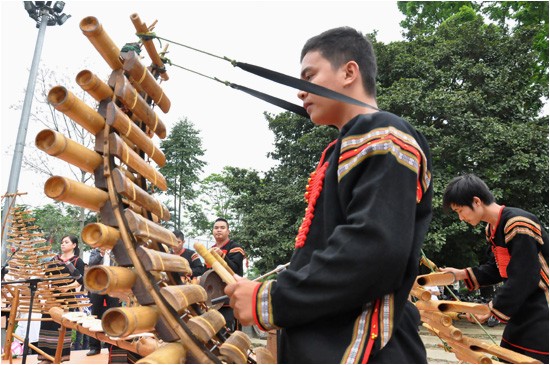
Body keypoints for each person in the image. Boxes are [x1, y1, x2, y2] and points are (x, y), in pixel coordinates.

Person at [225, 26, 433, 363]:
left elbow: (373, 250)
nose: (299, 92)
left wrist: (272, 299)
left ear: (349, 72)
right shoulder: (345, 145)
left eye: (309, 76)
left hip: (363, 349)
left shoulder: (382, 132)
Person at [440, 173, 549, 363]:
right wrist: (460, 274)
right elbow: (498, 269)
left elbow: (525, 276)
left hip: (542, 308)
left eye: (460, 210)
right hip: (524, 309)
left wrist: (491, 308)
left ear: (476, 201)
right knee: (509, 356)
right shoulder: (492, 229)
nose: (460, 218)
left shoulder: (517, 223)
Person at [37, 235, 85, 364]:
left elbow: (80, 281)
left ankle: (59, 357)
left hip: (67, 297)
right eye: (62, 242)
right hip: (52, 296)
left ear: (74, 245)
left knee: (61, 326)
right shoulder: (54, 259)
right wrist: (45, 293)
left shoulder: (77, 261)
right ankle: (46, 358)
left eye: (66, 242)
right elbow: (46, 277)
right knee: (47, 324)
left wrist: (67, 287)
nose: (63, 244)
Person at [210, 218, 246, 332]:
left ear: (228, 231)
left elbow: (234, 269)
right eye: (216, 228)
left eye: (222, 228)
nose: (219, 230)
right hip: (213, 301)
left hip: (230, 301)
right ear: (212, 231)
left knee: (230, 335)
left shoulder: (236, 248)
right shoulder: (210, 250)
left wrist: (222, 256)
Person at [86, 248, 120, 357]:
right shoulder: (95, 251)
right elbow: (91, 263)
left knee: (114, 314)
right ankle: (94, 347)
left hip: (114, 286)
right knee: (95, 314)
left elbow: (122, 266)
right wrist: (101, 253)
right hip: (97, 285)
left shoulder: (117, 251)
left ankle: (113, 345)